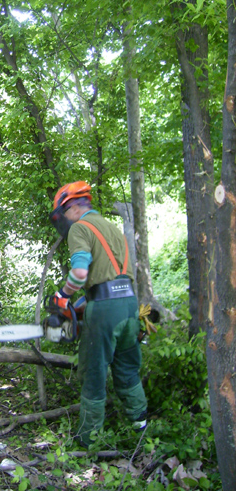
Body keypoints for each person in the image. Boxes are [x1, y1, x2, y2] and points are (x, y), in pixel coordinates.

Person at [49, 181, 147, 446]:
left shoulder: (80, 228)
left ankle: (88, 439)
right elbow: (113, 275)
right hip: (128, 305)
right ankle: (141, 428)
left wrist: (63, 296)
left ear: (70, 208)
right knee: (127, 369)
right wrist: (83, 302)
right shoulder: (113, 229)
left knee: (93, 372)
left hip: (105, 311)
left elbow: (80, 273)